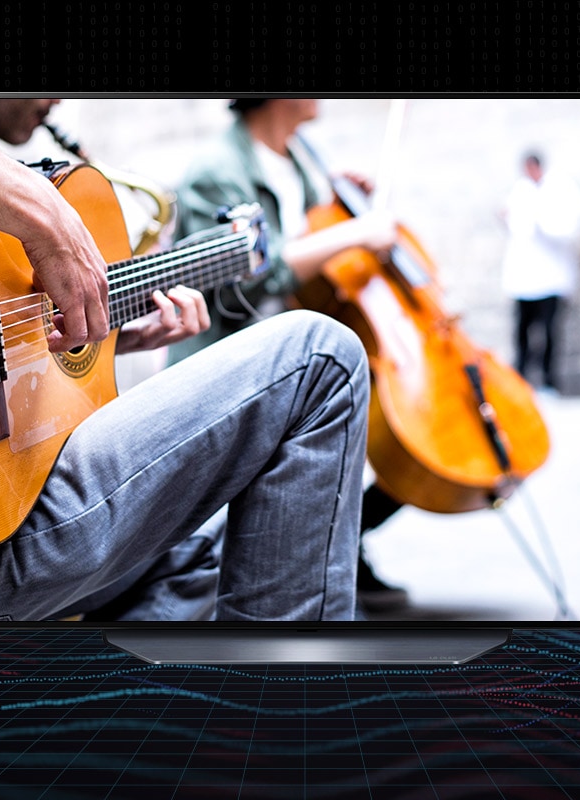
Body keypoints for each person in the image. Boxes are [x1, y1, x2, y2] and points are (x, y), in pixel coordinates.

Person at [0, 98, 370, 622]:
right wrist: (51, 219)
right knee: (321, 357)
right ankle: (289, 694)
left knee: (201, 548)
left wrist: (107, 333)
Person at [169, 98, 411, 612]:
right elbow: (255, 276)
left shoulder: (300, 158)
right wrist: (356, 233)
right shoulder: (216, 170)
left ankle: (336, 560)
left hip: (295, 358)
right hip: (232, 362)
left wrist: (339, 196)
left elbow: (305, 227)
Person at [499, 151, 580, 393]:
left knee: (549, 331)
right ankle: (520, 378)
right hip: (523, 277)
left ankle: (548, 380)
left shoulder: (561, 189)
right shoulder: (520, 190)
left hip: (551, 277)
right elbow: (516, 229)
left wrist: (538, 217)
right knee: (522, 330)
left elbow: (567, 228)